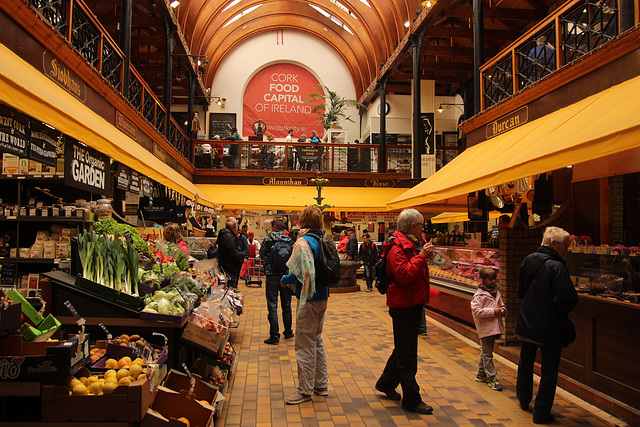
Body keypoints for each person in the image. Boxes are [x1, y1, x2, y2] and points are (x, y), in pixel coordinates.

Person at [516, 226, 578, 424]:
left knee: (525, 362)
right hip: (549, 326)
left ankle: (524, 399)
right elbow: (565, 299)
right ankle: (541, 413)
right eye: (565, 245)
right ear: (553, 244)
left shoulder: (529, 260)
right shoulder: (557, 267)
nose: (566, 249)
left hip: (526, 322)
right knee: (549, 370)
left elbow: (520, 291)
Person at [375, 209, 434, 415]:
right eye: (420, 225)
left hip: (413, 302)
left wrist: (425, 256)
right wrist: (422, 257)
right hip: (403, 305)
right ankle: (412, 398)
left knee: (404, 348)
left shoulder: (414, 242)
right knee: (408, 353)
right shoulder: (396, 247)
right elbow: (403, 274)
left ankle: (385, 383)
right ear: (411, 227)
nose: (422, 228)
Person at [281, 205, 329, 404]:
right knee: (316, 340)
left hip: (308, 298)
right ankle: (321, 384)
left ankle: (304, 390)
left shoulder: (303, 242)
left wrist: (285, 278)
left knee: (304, 344)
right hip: (323, 297)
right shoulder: (321, 240)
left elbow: (304, 273)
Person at [471, 267, 506, 392]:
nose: (493, 282)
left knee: (486, 351)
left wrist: (503, 310)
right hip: (485, 328)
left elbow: (501, 304)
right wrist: (494, 311)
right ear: (483, 280)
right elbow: (476, 311)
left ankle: (481, 373)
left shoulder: (496, 292)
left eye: (494, 279)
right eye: (490, 279)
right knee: (488, 354)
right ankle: (492, 377)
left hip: (494, 327)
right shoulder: (479, 295)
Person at [260, 219, 294, 345]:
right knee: (287, 305)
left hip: (271, 275)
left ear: (274, 227)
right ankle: (288, 331)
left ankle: (274, 336)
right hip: (285, 276)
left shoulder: (268, 239)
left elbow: (262, 255)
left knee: (272, 305)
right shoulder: (289, 240)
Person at [216, 216, 245, 288]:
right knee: (231, 287)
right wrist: (242, 255)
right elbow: (233, 252)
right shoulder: (229, 237)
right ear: (235, 225)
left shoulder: (223, 234)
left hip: (224, 265)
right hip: (231, 267)